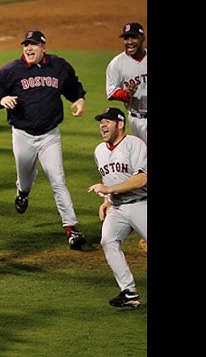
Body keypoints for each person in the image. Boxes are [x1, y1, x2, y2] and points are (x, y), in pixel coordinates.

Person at [0, 30, 87, 250]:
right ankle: (23, 191)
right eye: (25, 45)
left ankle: (72, 228)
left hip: (50, 135)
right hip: (23, 135)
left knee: (58, 180)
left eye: (33, 45)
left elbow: (72, 86)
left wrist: (79, 99)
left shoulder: (58, 66)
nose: (28, 48)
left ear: (43, 48)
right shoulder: (12, 70)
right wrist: (1, 98)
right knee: (26, 177)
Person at [87, 107, 147, 308]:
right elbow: (108, 176)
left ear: (120, 124)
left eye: (107, 121)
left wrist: (109, 189)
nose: (102, 125)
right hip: (118, 207)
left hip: (141, 203)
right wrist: (107, 200)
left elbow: (141, 179)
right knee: (108, 240)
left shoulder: (134, 144)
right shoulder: (99, 151)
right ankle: (128, 292)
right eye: (101, 121)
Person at [105, 22, 147, 145]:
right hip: (137, 119)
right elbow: (111, 91)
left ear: (142, 38)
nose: (129, 42)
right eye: (126, 38)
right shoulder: (116, 64)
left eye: (133, 37)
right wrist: (126, 94)